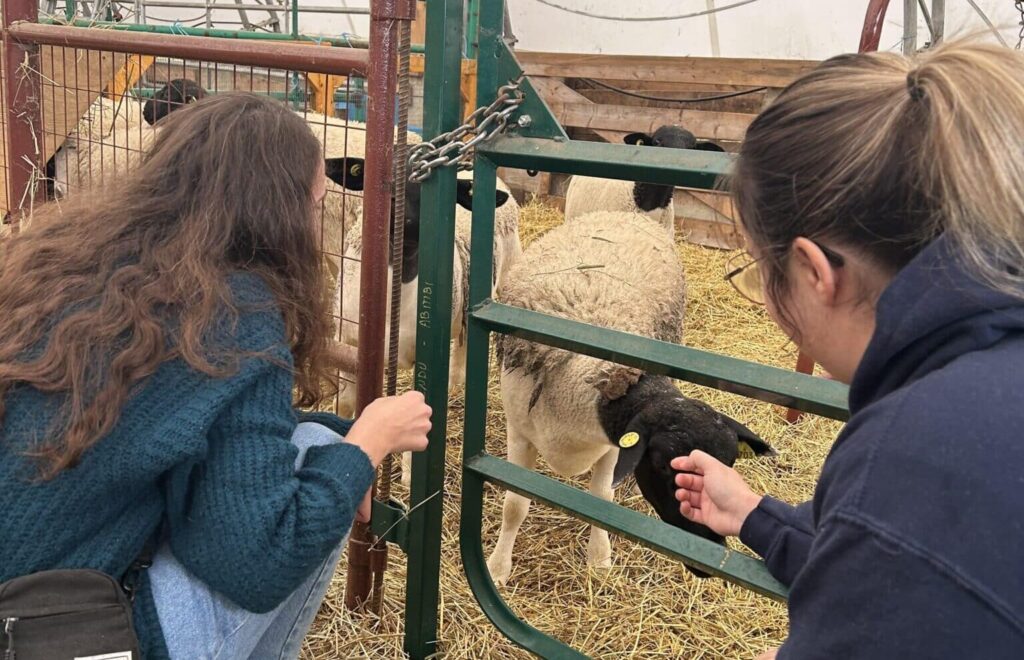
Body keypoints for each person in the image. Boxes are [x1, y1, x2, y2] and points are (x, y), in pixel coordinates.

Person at [0, 93, 431, 659]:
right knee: (321, 455)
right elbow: (253, 566)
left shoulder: (73, 264)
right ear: (277, 209)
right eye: (314, 201)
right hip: (58, 635)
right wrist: (366, 446)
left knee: (312, 443)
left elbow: (180, 425)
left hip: (25, 591)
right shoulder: (236, 313)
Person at [674, 40, 1024, 659]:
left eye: (762, 273)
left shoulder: (914, 453)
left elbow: (910, 544)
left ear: (813, 272)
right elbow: (934, 571)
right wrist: (758, 515)